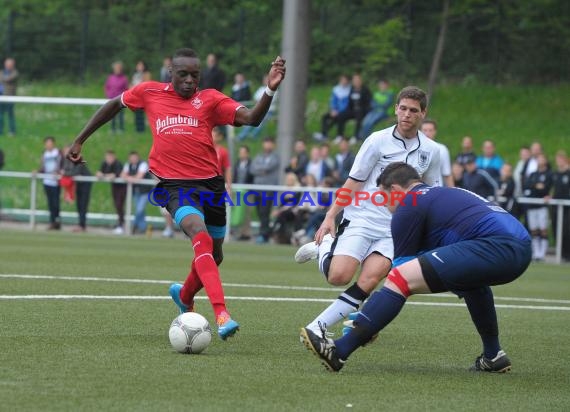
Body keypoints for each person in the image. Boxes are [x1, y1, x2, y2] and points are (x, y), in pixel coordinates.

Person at [67, 48, 285, 340]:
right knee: (201, 236)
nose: (189, 80)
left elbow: (252, 119)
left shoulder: (210, 99)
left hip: (211, 187)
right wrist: (80, 139)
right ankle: (222, 313)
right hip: (174, 187)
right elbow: (113, 104)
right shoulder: (149, 92)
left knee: (215, 255)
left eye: (194, 75)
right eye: (183, 74)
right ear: (171, 72)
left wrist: (269, 91)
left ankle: (184, 295)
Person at [301, 162, 532, 373]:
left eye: (383, 196)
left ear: (396, 191)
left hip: (496, 245)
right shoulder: (439, 194)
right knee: (472, 285)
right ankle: (494, 355)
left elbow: (400, 274)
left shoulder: (408, 206)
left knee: (401, 278)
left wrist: (368, 321)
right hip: (520, 246)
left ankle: (339, 351)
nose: (384, 204)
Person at [295, 86, 441, 338]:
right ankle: (324, 247)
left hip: (395, 228)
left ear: (423, 114)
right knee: (339, 276)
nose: (407, 114)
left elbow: (431, 192)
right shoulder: (376, 140)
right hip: (362, 218)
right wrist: (330, 216)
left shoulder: (431, 150)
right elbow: (354, 181)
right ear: (396, 109)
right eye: (403, 108)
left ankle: (317, 327)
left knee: (370, 279)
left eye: (413, 110)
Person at [250, 136, 281, 244]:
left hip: (268, 189)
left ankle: (264, 234)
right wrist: (262, 170)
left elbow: (269, 168)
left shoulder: (275, 157)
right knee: (259, 211)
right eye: (265, 142)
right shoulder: (259, 156)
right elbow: (252, 169)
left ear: (273, 145)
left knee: (265, 211)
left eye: (269, 143)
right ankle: (266, 232)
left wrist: (261, 169)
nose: (267, 145)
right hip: (257, 188)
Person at [523, 153, 553, 261]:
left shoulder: (549, 174)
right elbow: (527, 185)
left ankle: (542, 253)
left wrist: (536, 187)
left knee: (543, 229)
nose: (539, 161)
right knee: (534, 230)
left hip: (542, 206)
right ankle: (536, 253)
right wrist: (536, 186)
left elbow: (545, 189)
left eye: (542, 158)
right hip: (532, 205)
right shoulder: (533, 174)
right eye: (538, 159)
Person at [237, 75, 278, 141]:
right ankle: (241, 136)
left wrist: (261, 101)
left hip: (269, 111)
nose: (265, 81)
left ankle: (253, 136)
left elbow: (269, 101)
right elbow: (255, 99)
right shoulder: (260, 89)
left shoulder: (274, 90)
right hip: (259, 110)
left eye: (267, 79)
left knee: (260, 121)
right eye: (264, 79)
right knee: (248, 118)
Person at [61, 145, 92, 232]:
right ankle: (81, 224)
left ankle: (82, 225)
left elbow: (75, 172)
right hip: (78, 183)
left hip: (85, 183)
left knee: (83, 204)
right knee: (79, 204)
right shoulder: (66, 160)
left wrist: (64, 173)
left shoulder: (78, 158)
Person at [96, 150, 126, 234]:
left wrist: (105, 175)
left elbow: (115, 175)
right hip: (114, 187)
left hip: (122, 187)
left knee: (119, 205)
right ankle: (120, 224)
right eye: (107, 157)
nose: (108, 159)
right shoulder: (105, 163)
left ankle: (121, 224)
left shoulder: (118, 163)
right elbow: (99, 173)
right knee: (116, 205)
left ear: (114, 157)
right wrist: (102, 175)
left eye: (110, 157)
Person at [313, 75, 351, 142]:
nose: (344, 82)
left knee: (338, 117)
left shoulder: (349, 90)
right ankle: (324, 134)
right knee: (325, 117)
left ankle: (339, 136)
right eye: (342, 80)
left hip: (344, 111)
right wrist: (333, 109)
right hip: (336, 111)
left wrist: (339, 111)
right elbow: (333, 101)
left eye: (345, 80)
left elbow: (347, 104)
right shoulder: (336, 89)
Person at [336, 73, 372, 144]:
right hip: (352, 110)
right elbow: (350, 102)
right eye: (355, 80)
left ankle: (355, 137)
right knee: (341, 115)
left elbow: (368, 103)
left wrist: (364, 110)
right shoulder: (352, 89)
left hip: (362, 110)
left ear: (361, 81)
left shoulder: (365, 90)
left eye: (357, 80)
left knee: (359, 116)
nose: (356, 82)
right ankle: (340, 136)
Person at [121, 151, 151, 234]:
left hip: (145, 191)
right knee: (140, 210)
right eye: (132, 158)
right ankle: (143, 228)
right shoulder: (128, 165)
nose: (133, 159)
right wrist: (130, 178)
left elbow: (139, 176)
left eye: (135, 157)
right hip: (135, 191)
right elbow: (122, 175)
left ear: (138, 157)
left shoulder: (143, 164)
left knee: (139, 209)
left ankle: (133, 226)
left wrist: (129, 178)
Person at [37, 137, 62, 230]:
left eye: (50, 143)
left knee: (56, 203)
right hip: (47, 181)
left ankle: (57, 221)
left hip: (55, 181)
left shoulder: (58, 153)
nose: (48, 145)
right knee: (50, 203)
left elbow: (61, 164)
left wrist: (57, 172)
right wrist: (38, 171)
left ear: (53, 144)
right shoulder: (44, 154)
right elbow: (43, 167)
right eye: (47, 143)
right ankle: (52, 222)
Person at [420, 119, 454, 187]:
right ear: (420, 131)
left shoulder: (442, 149)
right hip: (419, 191)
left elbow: (447, 174)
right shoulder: (414, 149)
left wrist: (454, 194)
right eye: (425, 130)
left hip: (437, 189)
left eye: (430, 130)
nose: (427, 133)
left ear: (435, 132)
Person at [551, 150, 570, 261]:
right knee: (556, 229)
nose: (559, 162)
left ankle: (567, 254)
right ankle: (561, 253)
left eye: (561, 159)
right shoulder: (555, 174)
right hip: (556, 205)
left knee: (567, 230)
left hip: (567, 206)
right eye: (558, 159)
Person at [232, 144, 254, 241]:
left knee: (247, 212)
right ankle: (236, 231)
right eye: (240, 152)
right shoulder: (237, 164)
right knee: (236, 212)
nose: (241, 154)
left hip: (248, 191)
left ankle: (246, 233)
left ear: (247, 154)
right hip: (237, 190)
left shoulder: (251, 164)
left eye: (243, 152)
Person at [104, 61, 129, 133]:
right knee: (111, 114)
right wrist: (108, 95)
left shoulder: (124, 78)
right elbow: (107, 87)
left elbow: (126, 88)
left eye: (118, 68)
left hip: (120, 100)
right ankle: (113, 129)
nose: (117, 69)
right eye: (116, 68)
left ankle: (121, 128)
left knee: (121, 115)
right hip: (111, 99)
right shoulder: (110, 78)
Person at [131, 60, 152, 132]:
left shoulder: (146, 74)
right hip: (135, 96)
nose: (139, 67)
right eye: (138, 65)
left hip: (143, 96)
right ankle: (137, 128)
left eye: (141, 65)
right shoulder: (135, 74)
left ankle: (141, 129)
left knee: (141, 112)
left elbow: (147, 83)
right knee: (136, 112)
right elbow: (132, 84)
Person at [0, 57, 19, 136]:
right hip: (1, 96)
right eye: (7, 64)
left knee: (10, 114)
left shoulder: (15, 73)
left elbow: (8, 79)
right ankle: (0, 130)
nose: (8, 66)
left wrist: (2, 78)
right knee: (0, 114)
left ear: (13, 65)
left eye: (10, 64)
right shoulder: (2, 72)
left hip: (10, 97)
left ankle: (12, 131)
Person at [212, 126, 232, 192]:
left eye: (215, 131)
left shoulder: (223, 151)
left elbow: (227, 169)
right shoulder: (203, 149)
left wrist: (229, 187)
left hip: (217, 185)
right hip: (203, 184)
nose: (213, 133)